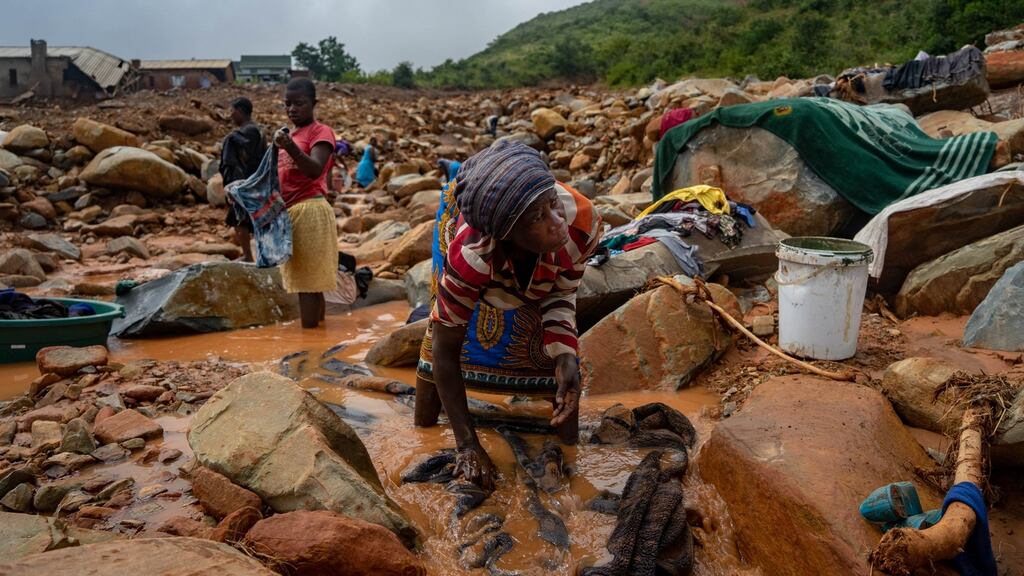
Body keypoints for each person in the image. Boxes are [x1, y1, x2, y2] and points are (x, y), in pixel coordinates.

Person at [415, 140, 601, 489]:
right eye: (538, 218)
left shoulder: (581, 224)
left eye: (552, 204)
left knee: (563, 371)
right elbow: (445, 345)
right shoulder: (472, 254)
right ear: (506, 236)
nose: (556, 221)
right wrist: (468, 445)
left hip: (529, 269)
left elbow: (562, 293)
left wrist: (565, 355)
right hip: (482, 267)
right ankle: (429, 423)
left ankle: (569, 445)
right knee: (435, 343)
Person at [272, 78, 338, 329]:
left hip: (309, 209)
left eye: (299, 104)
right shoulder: (291, 134)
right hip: (292, 211)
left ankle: (310, 349)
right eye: (287, 104)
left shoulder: (319, 132)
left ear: (313, 104)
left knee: (307, 283)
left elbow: (315, 169)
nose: (292, 109)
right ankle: (318, 340)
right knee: (310, 282)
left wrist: (289, 146)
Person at [220, 97, 267, 263]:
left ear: (239, 111)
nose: (231, 115)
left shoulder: (249, 132)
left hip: (246, 183)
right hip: (253, 182)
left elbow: (243, 158)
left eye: (232, 111)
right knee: (249, 219)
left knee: (239, 219)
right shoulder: (255, 130)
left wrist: (234, 185)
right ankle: (254, 255)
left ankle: (248, 256)